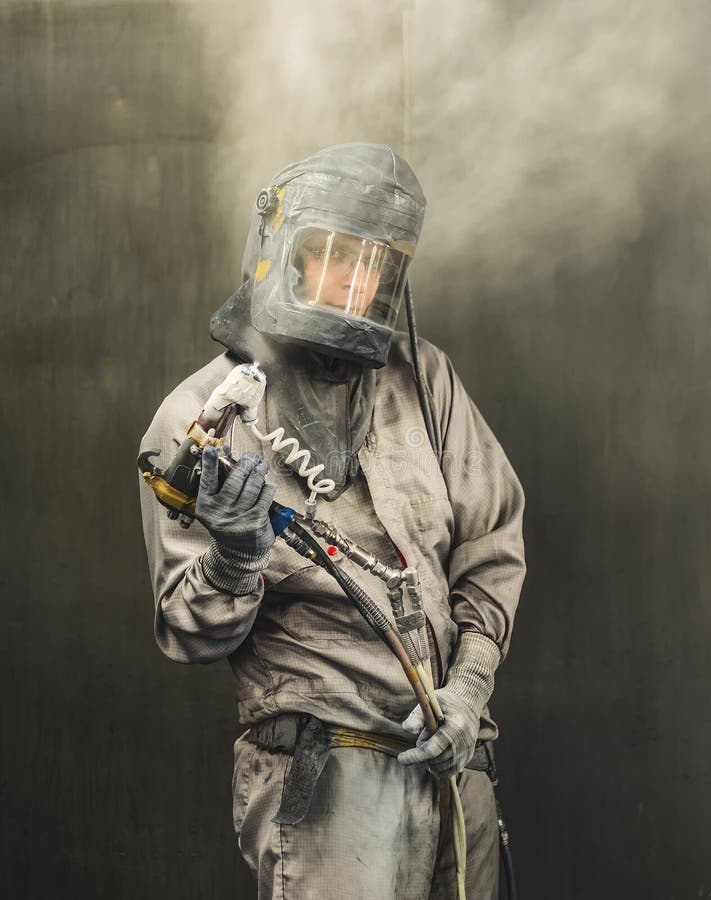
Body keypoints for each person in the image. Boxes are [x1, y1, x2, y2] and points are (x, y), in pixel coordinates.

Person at [138, 143, 526, 900]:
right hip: (330, 789)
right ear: (285, 253)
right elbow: (185, 629)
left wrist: (471, 684)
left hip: (453, 767)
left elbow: (492, 542)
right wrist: (234, 559)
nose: (360, 279)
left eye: (378, 262)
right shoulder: (200, 419)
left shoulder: (427, 382)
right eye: (337, 254)